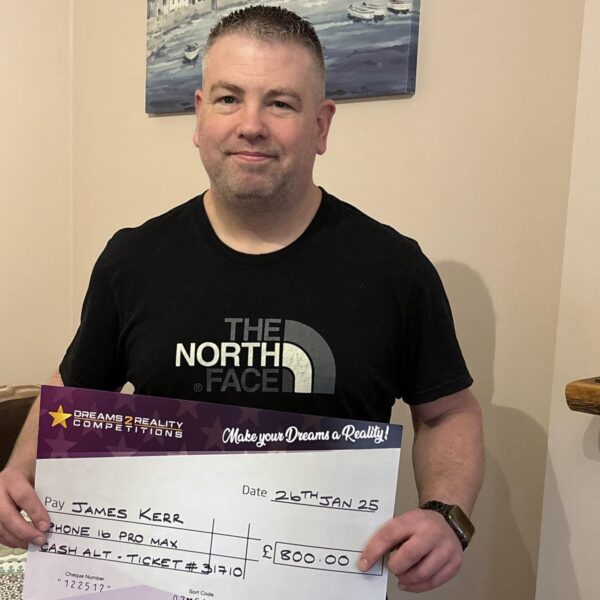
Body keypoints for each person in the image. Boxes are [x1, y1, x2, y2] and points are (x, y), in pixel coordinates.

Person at [0, 5, 484, 594]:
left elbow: (448, 413)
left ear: (321, 125)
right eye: (229, 98)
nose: (251, 124)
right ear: (200, 115)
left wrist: (446, 516)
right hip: (153, 581)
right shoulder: (133, 259)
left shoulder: (394, 268)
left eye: (280, 103)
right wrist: (16, 472)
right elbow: (75, 390)